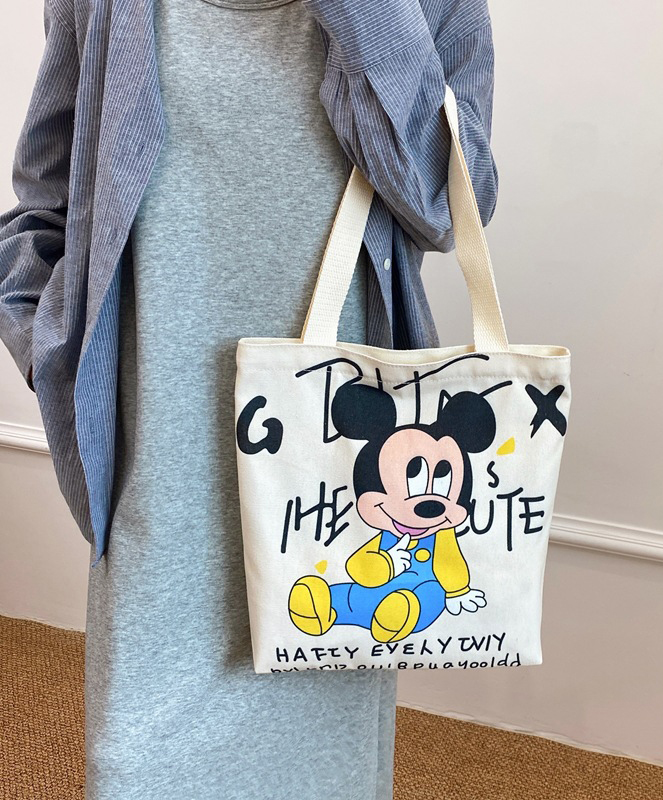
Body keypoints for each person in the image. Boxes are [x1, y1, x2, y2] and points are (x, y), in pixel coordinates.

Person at [0, 0, 499, 797]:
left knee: (320, 766)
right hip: (159, 454)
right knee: (137, 762)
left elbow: (447, 204)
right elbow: (43, 205)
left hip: (341, 469)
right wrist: (51, 354)